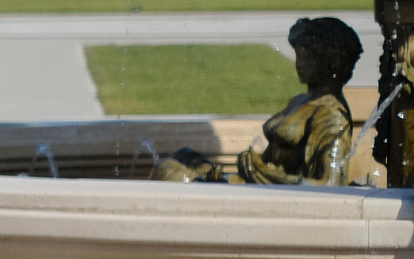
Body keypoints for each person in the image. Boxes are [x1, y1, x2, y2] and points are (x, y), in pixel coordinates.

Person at [154, 16, 362, 185]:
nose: (299, 64)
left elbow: (330, 186)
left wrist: (260, 172)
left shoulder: (332, 117)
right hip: (255, 182)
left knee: (167, 171)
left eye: (307, 58)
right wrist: (254, 168)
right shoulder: (301, 101)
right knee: (185, 155)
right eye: (298, 55)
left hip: (268, 193)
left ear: (330, 62)